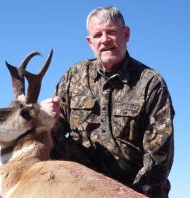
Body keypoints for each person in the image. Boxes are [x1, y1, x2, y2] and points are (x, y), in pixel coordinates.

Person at [41, 6, 174, 198]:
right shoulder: (73, 77)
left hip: (134, 191)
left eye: (111, 32)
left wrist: (127, 195)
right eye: (97, 35)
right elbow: (53, 137)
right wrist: (45, 119)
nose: (104, 40)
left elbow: (159, 155)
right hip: (78, 189)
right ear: (90, 41)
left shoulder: (151, 83)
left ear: (126, 34)